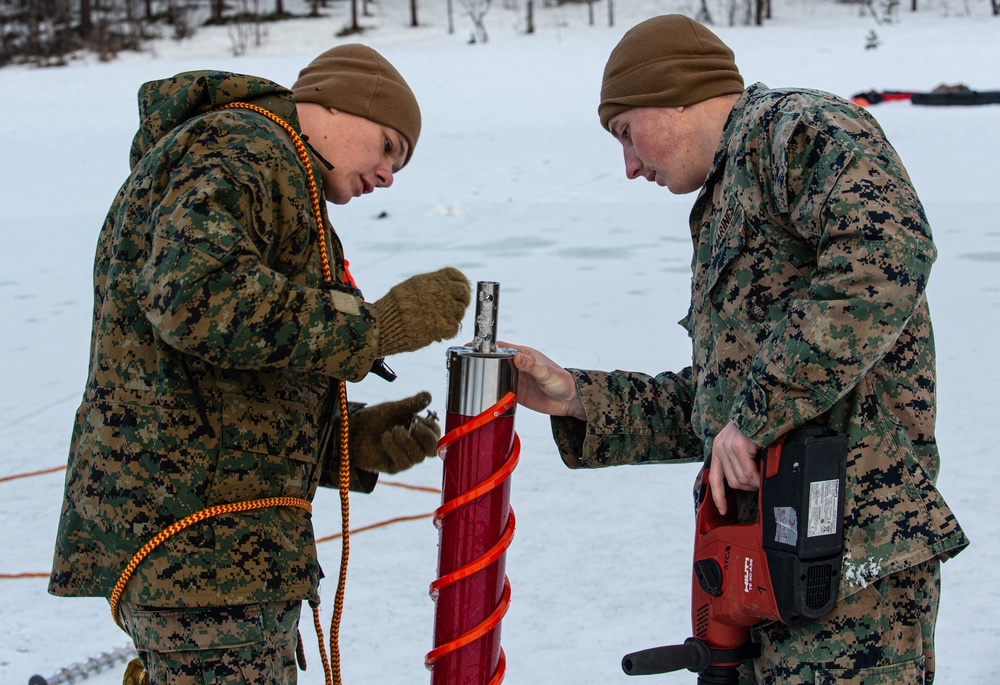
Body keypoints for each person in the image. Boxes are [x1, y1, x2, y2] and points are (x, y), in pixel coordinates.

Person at [506, 14, 968, 685]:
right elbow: (722, 410)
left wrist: (756, 414)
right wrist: (578, 397)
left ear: (675, 92)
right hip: (767, 574)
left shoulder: (798, 128)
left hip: (852, 572)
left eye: (625, 133)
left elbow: (885, 255)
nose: (630, 166)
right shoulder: (725, 198)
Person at [47, 44, 471, 684]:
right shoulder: (248, 148)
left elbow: (211, 387)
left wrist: (344, 442)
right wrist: (376, 328)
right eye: (387, 146)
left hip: (210, 552)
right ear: (334, 104)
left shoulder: (270, 162)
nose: (388, 174)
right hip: (202, 560)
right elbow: (194, 296)